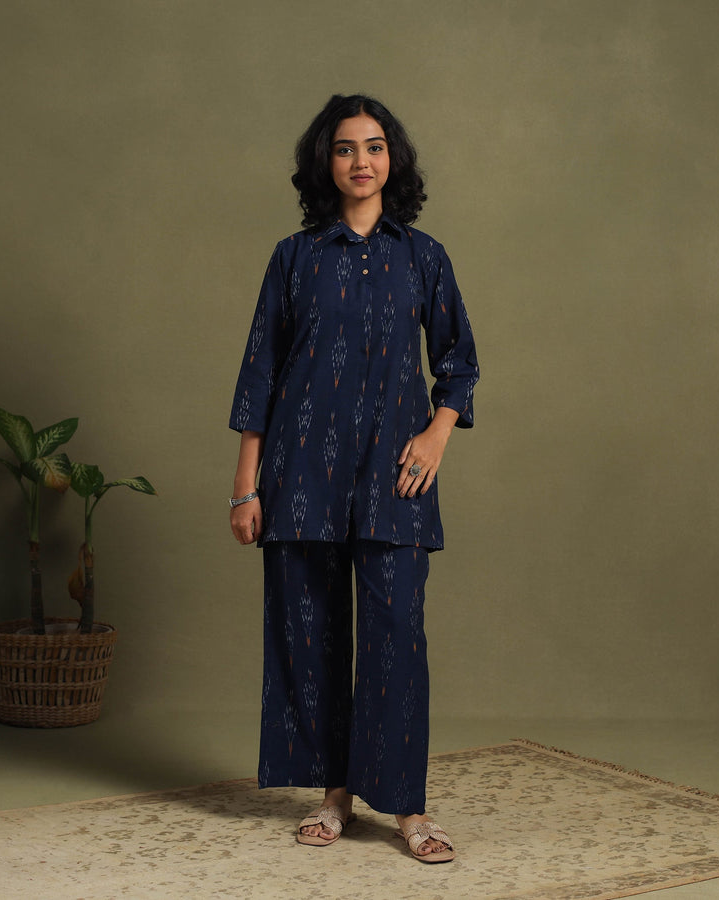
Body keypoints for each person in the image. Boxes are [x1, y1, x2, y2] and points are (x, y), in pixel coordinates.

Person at [228, 94, 478, 864]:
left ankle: (407, 806)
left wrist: (437, 434)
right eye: (345, 148)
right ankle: (333, 795)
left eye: (373, 146)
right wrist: (246, 487)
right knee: (312, 636)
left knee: (397, 634)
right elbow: (260, 373)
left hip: (394, 479)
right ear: (325, 163)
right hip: (301, 474)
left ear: (391, 159)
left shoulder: (424, 257)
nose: (361, 161)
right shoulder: (293, 257)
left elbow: (459, 362)